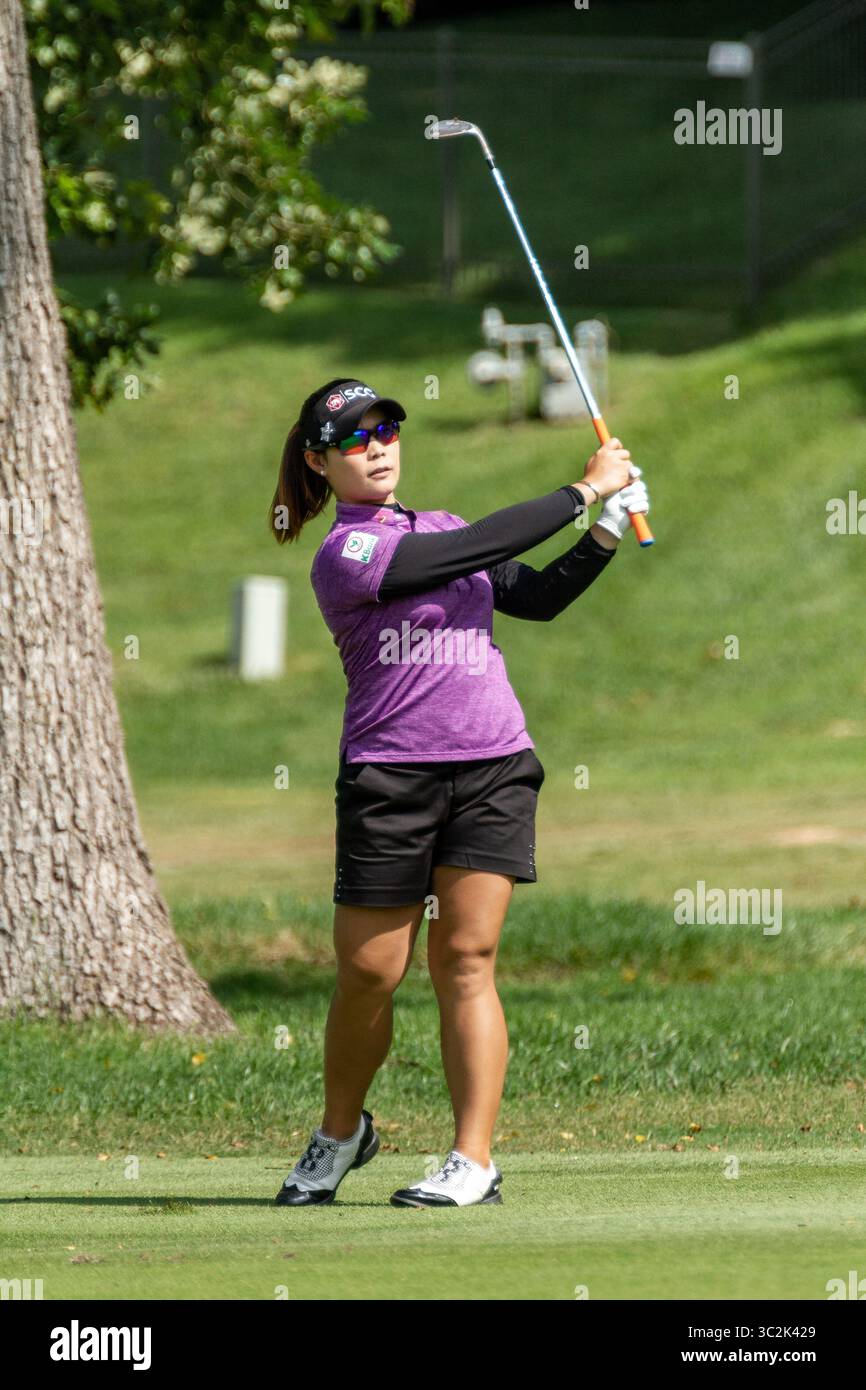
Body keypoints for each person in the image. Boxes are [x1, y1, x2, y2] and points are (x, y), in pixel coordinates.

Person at [268, 378, 649, 1208]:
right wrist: (584, 491)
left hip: (493, 765)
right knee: (370, 971)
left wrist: (606, 531)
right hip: (389, 776)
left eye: (387, 427)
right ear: (320, 461)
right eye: (355, 436)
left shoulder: (444, 527)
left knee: (466, 960)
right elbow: (453, 558)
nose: (377, 444)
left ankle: (473, 1159)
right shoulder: (349, 553)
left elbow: (535, 598)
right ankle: (341, 1134)